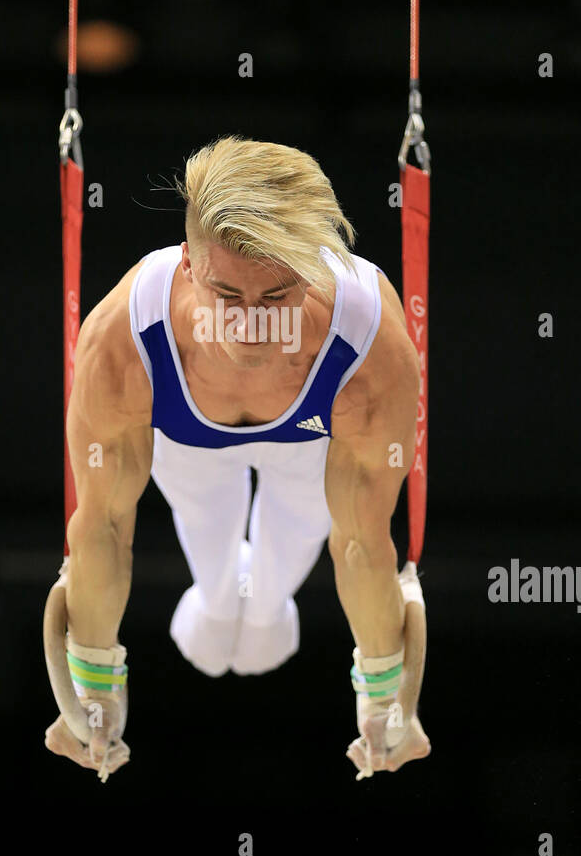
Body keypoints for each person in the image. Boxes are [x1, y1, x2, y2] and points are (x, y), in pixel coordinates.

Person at [44, 135, 430, 779]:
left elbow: (364, 542)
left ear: (309, 270)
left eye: (276, 298)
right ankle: (222, 600)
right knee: (219, 594)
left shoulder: (369, 345)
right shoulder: (125, 340)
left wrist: (384, 699)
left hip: (309, 448)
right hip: (190, 446)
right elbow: (102, 526)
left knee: (276, 584)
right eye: (228, 295)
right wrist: (91, 688)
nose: (250, 326)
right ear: (189, 266)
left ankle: (263, 600)